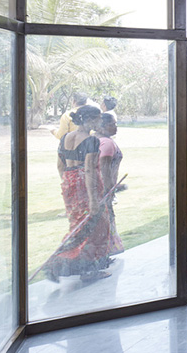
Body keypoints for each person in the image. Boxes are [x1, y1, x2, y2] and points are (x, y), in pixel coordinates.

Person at [46, 105, 112, 282]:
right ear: (89, 120)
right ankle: (85, 270)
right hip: (86, 186)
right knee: (97, 227)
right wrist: (93, 200)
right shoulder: (91, 141)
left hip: (70, 183)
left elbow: (60, 165)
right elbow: (89, 170)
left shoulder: (65, 138)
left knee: (78, 226)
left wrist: (68, 183)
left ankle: (65, 264)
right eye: (98, 119)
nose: (100, 122)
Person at [96, 113, 126, 257]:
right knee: (106, 220)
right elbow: (104, 168)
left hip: (97, 189)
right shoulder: (106, 143)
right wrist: (110, 189)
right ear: (102, 126)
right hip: (104, 190)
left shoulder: (95, 140)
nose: (116, 127)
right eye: (112, 124)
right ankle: (106, 252)